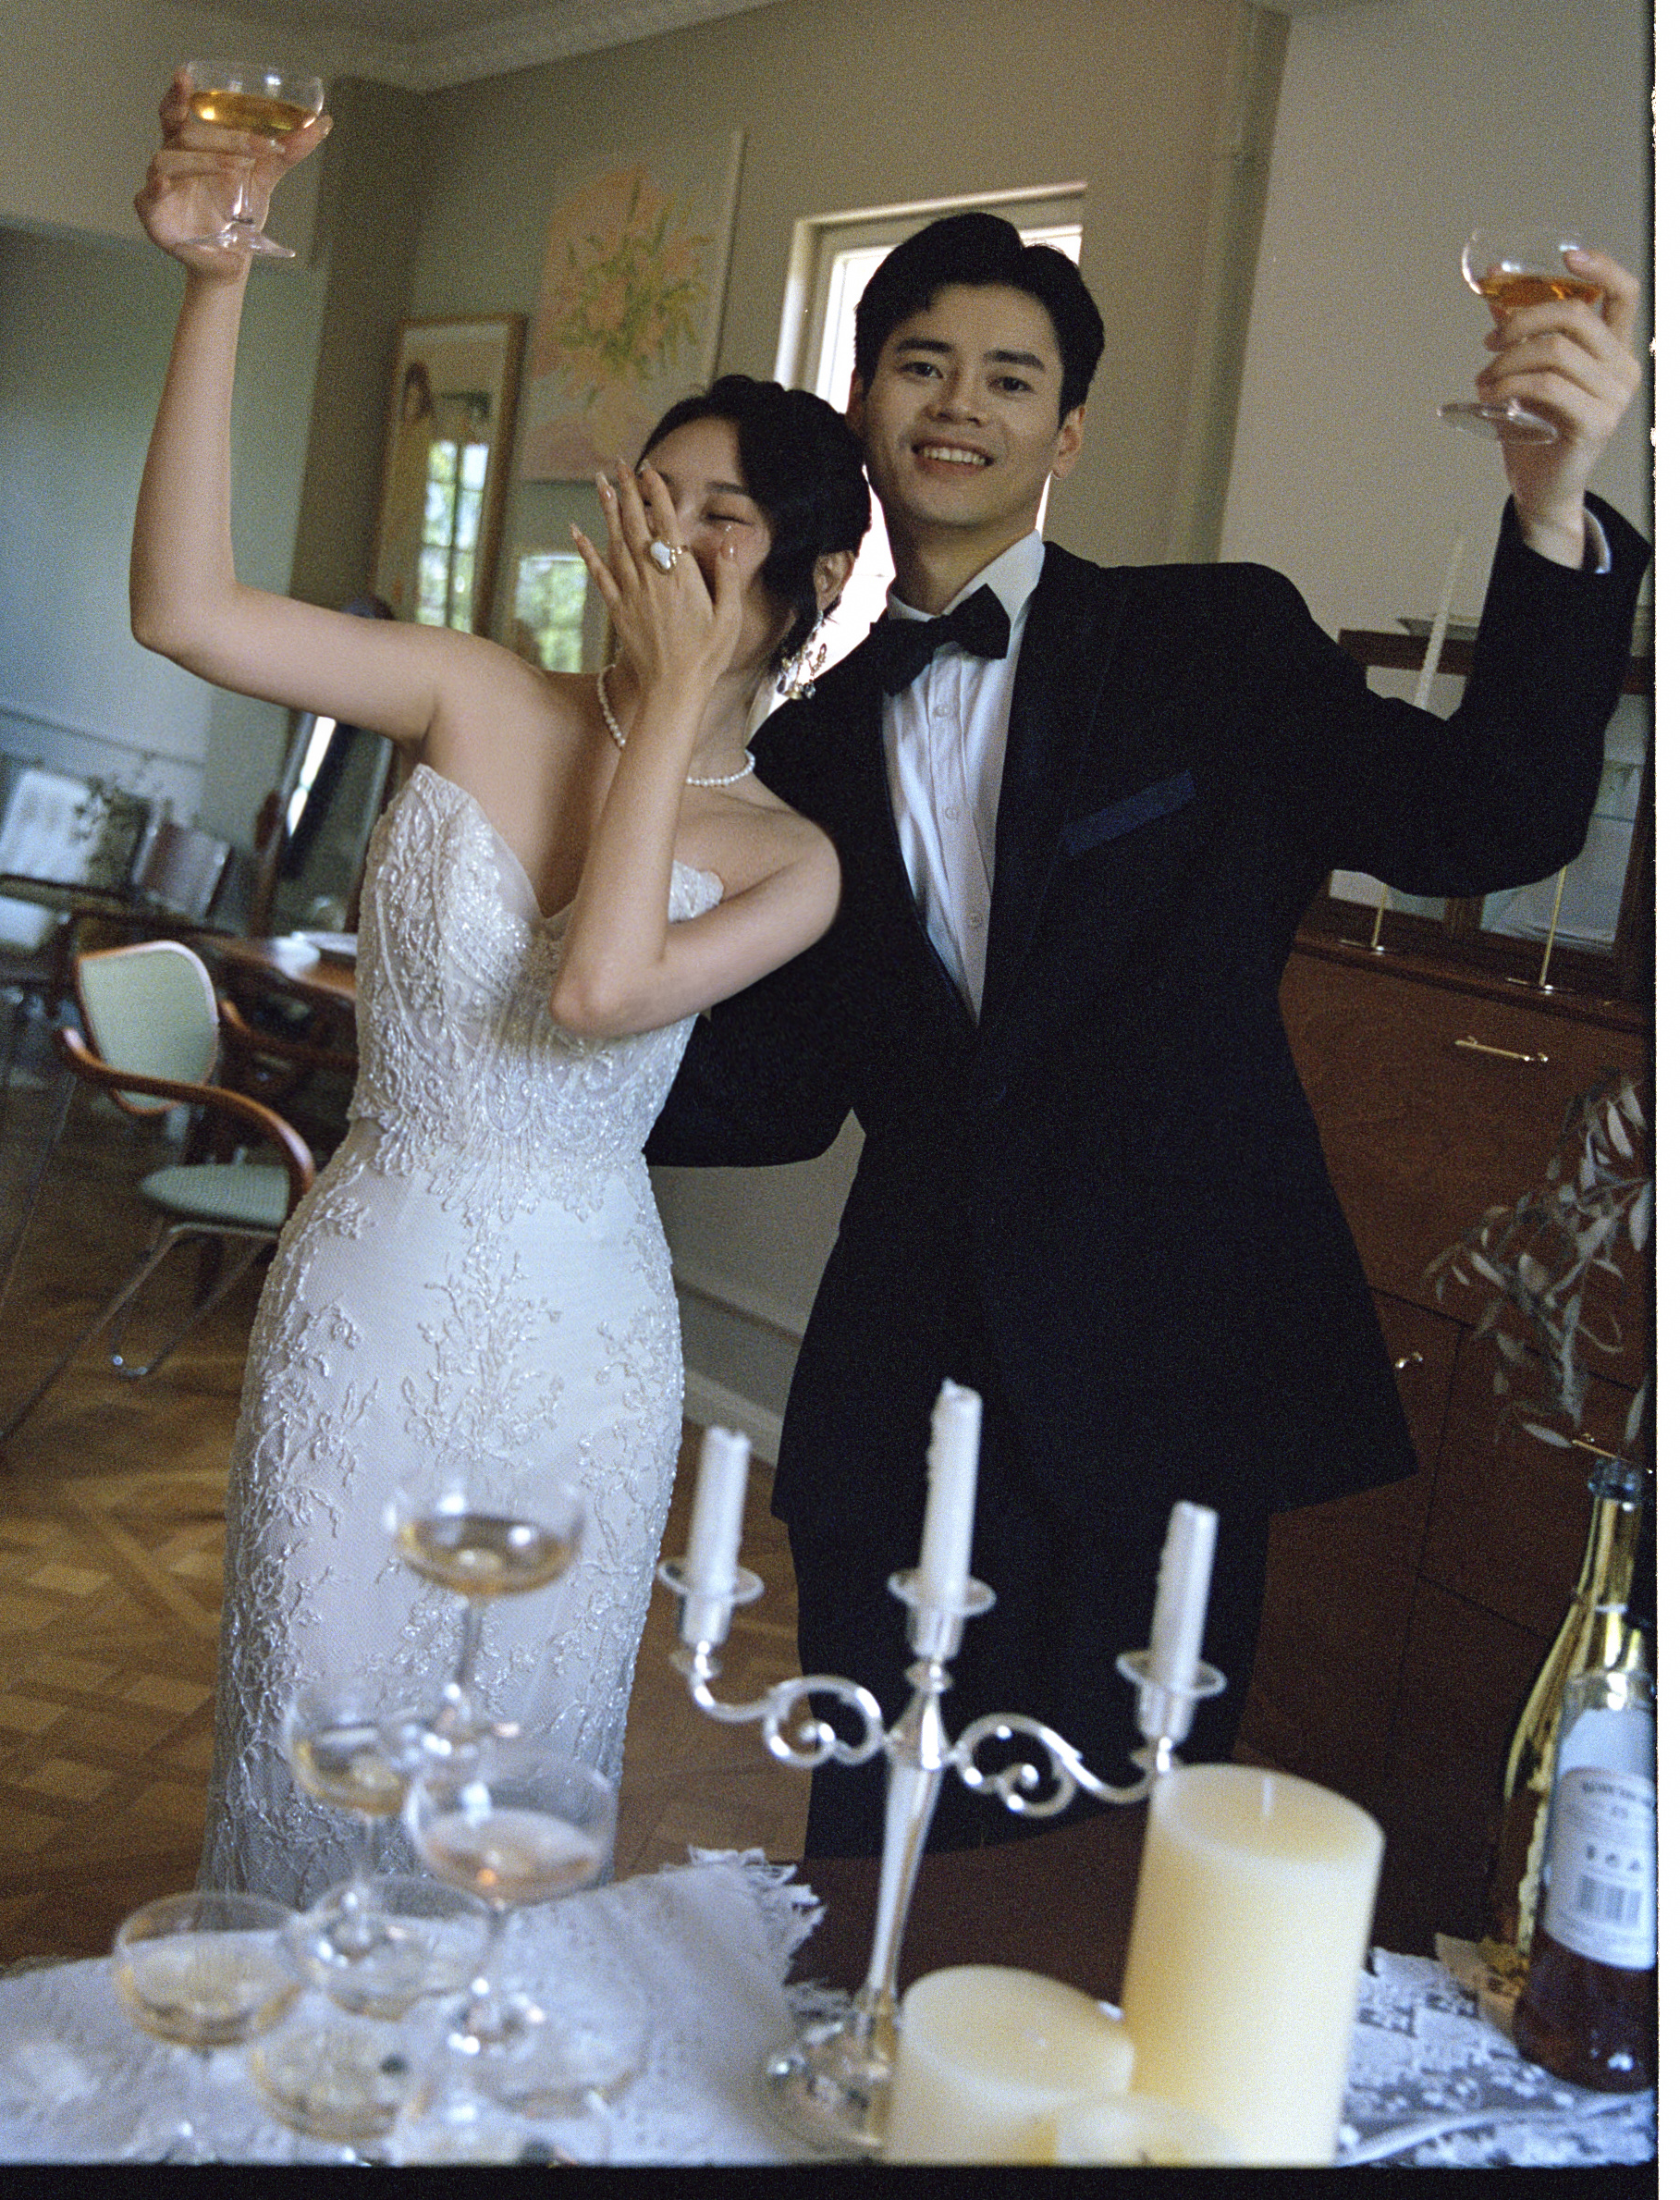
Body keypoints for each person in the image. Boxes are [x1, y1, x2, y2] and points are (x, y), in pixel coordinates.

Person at [646, 209, 1647, 1857]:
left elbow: (1488, 817)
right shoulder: (803, 745)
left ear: (1066, 431)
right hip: (898, 1383)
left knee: (1115, 1865)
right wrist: (511, 1065)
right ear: (865, 399)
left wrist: (1548, 507)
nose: (959, 403)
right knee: (873, 1842)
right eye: (920, 365)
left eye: (1009, 376)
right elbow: (776, 1095)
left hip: (1166, 1367)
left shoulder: (1213, 642)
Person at [129, 74, 868, 1902]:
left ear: (816, 575)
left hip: (584, 1330)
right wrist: (216, 289)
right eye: (648, 498)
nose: (660, 541)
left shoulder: (792, 859)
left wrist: (674, 710)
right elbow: (187, 612)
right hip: (372, 1276)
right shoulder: (473, 690)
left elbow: (601, 988)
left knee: (516, 1773)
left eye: (717, 520)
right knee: (308, 1725)